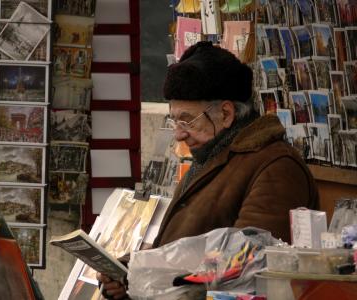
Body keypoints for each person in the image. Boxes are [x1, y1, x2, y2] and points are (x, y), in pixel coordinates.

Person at [97, 41, 319, 299]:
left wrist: (145, 272)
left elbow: (246, 264)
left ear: (225, 114)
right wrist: (128, 273)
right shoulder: (210, 156)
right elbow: (178, 249)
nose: (178, 134)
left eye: (186, 120)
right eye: (174, 120)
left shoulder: (276, 167)